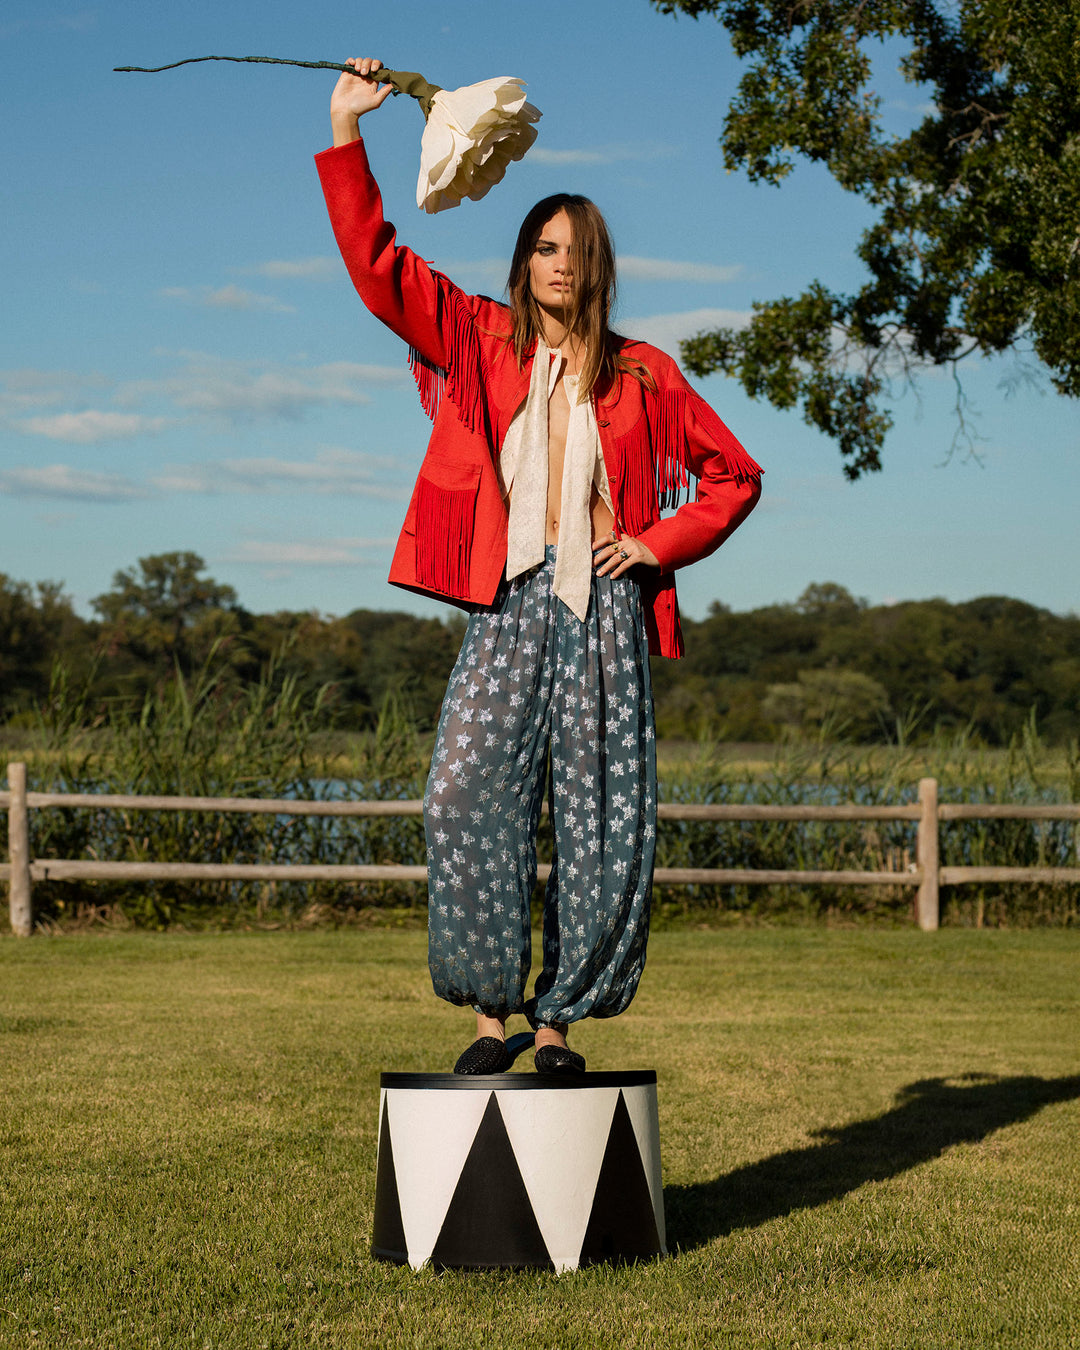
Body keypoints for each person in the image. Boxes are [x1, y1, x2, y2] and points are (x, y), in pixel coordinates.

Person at [318, 57, 762, 1075]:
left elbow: (732, 477)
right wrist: (348, 132)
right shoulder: (475, 337)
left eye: (577, 251)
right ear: (521, 261)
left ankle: (557, 1023)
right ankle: (490, 1016)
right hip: (505, 601)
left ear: (597, 267)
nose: (559, 264)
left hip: (604, 606)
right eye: (543, 247)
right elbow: (378, 265)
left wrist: (654, 545)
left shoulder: (648, 371)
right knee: (463, 793)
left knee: (602, 820)